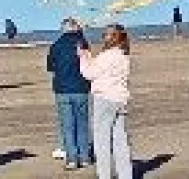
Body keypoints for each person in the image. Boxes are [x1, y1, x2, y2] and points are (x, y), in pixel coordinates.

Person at [79, 24, 133, 179]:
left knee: (101, 141)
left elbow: (89, 73)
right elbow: (98, 69)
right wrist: (88, 56)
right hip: (119, 100)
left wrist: (83, 56)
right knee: (120, 141)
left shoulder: (108, 56)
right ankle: (125, 175)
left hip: (105, 99)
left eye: (107, 35)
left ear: (115, 37)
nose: (104, 37)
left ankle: (104, 175)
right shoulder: (123, 55)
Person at [47, 18, 92, 170]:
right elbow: (88, 62)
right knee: (81, 124)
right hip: (80, 88)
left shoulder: (56, 46)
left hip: (63, 90)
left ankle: (72, 159)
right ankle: (84, 157)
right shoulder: (82, 43)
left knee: (67, 125)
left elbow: (51, 67)